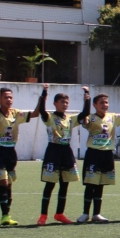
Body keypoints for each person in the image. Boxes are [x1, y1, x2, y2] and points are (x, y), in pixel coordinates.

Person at [0, 72, 39, 225]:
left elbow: (35, 114)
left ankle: (7, 215)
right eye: (5, 97)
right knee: (2, 182)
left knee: (9, 183)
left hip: (10, 153)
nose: (9, 100)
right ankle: (4, 215)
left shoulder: (16, 113)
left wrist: (42, 97)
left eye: (10, 97)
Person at [78, 87, 120, 223]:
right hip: (93, 154)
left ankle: (96, 213)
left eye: (106, 102)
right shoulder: (90, 118)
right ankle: (85, 213)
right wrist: (86, 98)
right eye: (102, 102)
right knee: (90, 184)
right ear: (95, 105)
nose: (105, 105)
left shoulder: (113, 117)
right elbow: (83, 118)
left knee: (101, 184)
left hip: (107, 154)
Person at [37, 87, 91, 225]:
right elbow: (41, 111)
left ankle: (59, 214)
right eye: (62, 102)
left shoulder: (70, 119)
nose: (65, 104)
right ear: (55, 103)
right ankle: (43, 215)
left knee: (64, 184)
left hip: (66, 152)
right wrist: (44, 94)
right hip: (53, 151)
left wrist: (87, 97)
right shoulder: (50, 117)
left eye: (67, 102)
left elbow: (86, 112)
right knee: (50, 184)